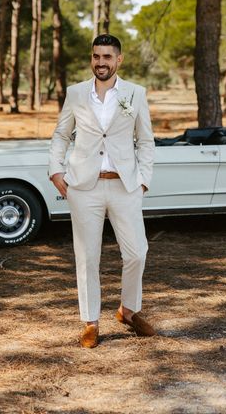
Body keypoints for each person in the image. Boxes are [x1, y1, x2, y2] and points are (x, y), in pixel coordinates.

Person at [49, 34, 156, 348]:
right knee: (87, 257)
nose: (101, 62)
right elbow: (60, 135)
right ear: (91, 59)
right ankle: (91, 322)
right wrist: (56, 170)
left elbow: (146, 141)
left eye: (107, 57)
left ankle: (128, 310)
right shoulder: (76, 93)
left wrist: (143, 180)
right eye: (96, 56)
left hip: (124, 186)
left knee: (137, 252)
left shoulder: (135, 94)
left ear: (118, 60)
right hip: (85, 187)